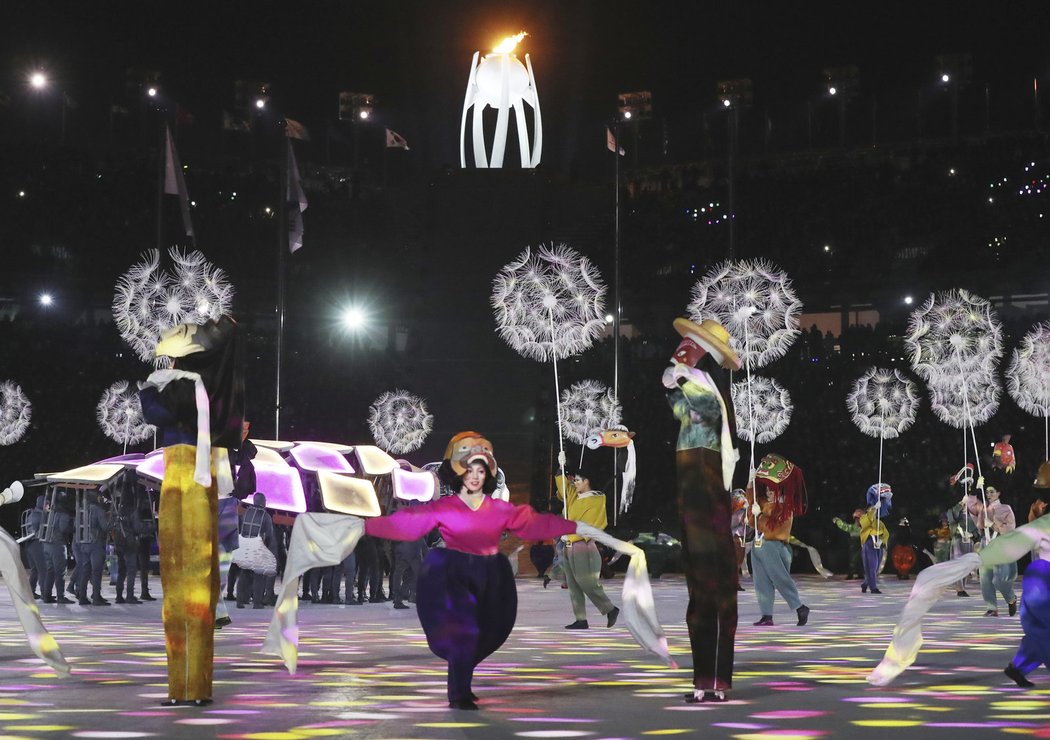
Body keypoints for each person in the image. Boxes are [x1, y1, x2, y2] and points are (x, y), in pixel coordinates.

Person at [362, 432, 580, 710]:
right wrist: (365, 527)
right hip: (454, 574)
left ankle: (462, 678)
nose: (475, 476)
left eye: (480, 470)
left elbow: (536, 524)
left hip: (491, 575)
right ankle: (459, 692)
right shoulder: (445, 507)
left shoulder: (499, 508)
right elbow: (407, 523)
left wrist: (575, 527)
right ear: (458, 472)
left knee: (485, 632)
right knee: (464, 630)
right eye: (469, 469)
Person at [139, 316, 245, 706]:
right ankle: (186, 686)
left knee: (193, 583)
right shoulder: (191, 385)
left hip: (190, 473)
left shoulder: (193, 386)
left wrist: (149, 392)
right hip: (185, 473)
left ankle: (193, 685)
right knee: (182, 582)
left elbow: (162, 412)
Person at [664, 317, 742, 703]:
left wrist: (680, 378)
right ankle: (703, 678)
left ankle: (719, 679)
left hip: (710, 477)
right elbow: (680, 405)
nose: (684, 348)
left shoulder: (707, 389)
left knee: (718, 579)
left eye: (693, 344)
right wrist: (677, 378)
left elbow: (702, 413)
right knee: (700, 579)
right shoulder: (680, 382)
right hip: (692, 474)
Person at [554, 458, 619, 630]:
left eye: (577, 480)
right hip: (569, 543)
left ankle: (610, 609)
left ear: (586, 481)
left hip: (583, 544)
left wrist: (571, 536)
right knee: (573, 584)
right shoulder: (575, 496)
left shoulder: (597, 499)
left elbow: (591, 525)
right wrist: (560, 468)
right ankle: (580, 618)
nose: (574, 483)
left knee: (586, 581)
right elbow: (563, 488)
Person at [746, 453, 810, 627]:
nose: (767, 492)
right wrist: (750, 485)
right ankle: (767, 615)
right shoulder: (764, 503)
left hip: (774, 546)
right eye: (766, 489)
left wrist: (759, 515)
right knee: (761, 582)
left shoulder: (785, 506)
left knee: (779, 578)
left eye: (770, 489)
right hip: (759, 545)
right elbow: (751, 520)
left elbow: (773, 528)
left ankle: (799, 607)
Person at [1004, 558, 1050, 688]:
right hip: (1039, 615)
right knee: (1042, 639)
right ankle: (1017, 668)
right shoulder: (1040, 568)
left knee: (1036, 642)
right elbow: (1037, 600)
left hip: (1038, 615)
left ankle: (1016, 668)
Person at [976, 486, 1018, 617]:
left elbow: (1010, 528)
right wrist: (983, 523)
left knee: (1000, 579)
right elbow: (979, 526)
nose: (989, 494)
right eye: (987, 492)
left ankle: (1011, 598)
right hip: (986, 543)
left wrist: (993, 524)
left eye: (992, 492)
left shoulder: (1006, 508)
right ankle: (991, 608)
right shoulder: (984, 507)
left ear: (999, 493)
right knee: (985, 577)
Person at [236, 493, 276, 610]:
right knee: (259, 576)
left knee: (244, 574)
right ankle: (257, 603)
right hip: (257, 547)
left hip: (244, 547)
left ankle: (240, 600)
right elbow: (269, 535)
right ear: (263, 502)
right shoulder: (265, 516)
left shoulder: (246, 513)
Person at [859, 485, 891, 594]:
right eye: (870, 509)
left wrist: (882, 540)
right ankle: (873, 588)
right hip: (869, 544)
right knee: (871, 567)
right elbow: (868, 527)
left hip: (878, 545)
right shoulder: (864, 518)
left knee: (876, 569)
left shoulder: (879, 522)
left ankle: (865, 583)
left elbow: (886, 533)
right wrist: (874, 508)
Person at [832, 509, 864, 580]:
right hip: (853, 544)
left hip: (859, 544)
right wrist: (838, 521)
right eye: (856, 519)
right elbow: (844, 526)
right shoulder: (852, 527)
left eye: (859, 519)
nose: (857, 520)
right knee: (852, 559)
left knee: (859, 559)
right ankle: (852, 573)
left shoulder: (863, 529)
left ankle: (859, 573)